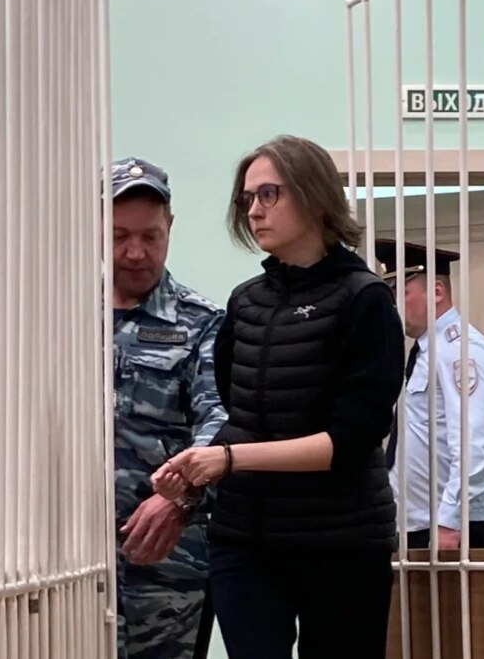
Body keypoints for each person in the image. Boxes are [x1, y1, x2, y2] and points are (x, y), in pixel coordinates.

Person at [152, 135, 405, 659]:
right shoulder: (245, 303)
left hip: (342, 542)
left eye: (269, 194)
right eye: (247, 198)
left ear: (315, 197)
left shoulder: (365, 300)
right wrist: (191, 472)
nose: (254, 210)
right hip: (246, 538)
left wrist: (228, 459)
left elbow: (351, 441)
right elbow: (242, 414)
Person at [108, 157, 227, 659]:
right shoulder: (57, 314)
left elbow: (220, 421)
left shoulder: (200, 323)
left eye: (150, 237)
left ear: (170, 228)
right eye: (119, 236)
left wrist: (180, 497)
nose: (135, 252)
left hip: (166, 571)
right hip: (64, 562)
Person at [374, 238, 484, 550]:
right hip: (418, 522)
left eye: (402, 293)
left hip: (454, 526)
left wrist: (449, 520)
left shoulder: (460, 350)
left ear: (436, 292)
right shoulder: (426, 351)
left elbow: (473, 441)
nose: (394, 305)